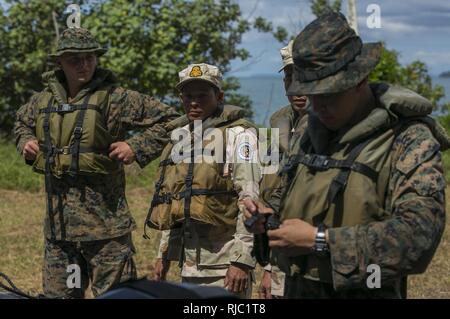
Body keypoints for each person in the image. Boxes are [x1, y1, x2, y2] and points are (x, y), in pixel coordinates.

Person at [244, 12, 449, 298]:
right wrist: (266, 220)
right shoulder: (307, 131)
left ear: (359, 80)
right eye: (311, 93)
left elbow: (418, 237)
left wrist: (320, 240)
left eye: (329, 93)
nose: (318, 104)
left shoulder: (407, 138)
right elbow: (291, 200)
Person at [14, 27, 179, 298]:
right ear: (59, 62)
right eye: (75, 59)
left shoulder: (116, 98)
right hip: (60, 234)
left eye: (90, 57)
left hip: (107, 232)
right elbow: (21, 123)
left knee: (117, 297)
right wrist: (26, 143)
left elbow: (171, 119)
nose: (84, 64)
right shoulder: (43, 101)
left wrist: (135, 146)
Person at [147, 63, 261, 298]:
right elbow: (175, 201)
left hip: (225, 265)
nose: (194, 102)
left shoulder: (240, 137)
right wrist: (164, 254)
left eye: (202, 95)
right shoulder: (182, 139)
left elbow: (250, 200)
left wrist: (241, 260)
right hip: (188, 263)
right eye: (188, 96)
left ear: (219, 96)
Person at [258, 40, 308, 299]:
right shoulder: (281, 125)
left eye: (304, 76)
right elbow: (274, 195)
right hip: (282, 257)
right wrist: (268, 267)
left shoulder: (340, 129)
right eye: (290, 77)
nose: (297, 87)